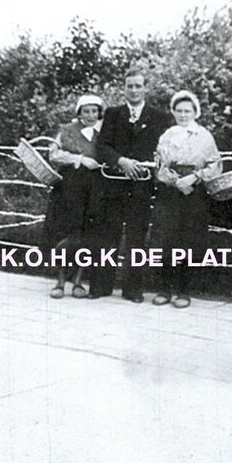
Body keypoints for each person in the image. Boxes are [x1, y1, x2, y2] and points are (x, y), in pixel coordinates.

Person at [88, 68, 170, 302]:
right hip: (113, 184)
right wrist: (121, 161)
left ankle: (133, 289)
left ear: (145, 89)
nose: (134, 90)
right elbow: (102, 147)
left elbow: (165, 149)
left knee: (136, 236)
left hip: (141, 186)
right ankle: (101, 286)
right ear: (124, 89)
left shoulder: (159, 117)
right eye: (129, 86)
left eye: (138, 86)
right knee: (107, 233)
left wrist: (154, 164)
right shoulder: (113, 114)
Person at [151, 90, 222, 309]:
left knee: (187, 239)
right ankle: (164, 289)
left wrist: (194, 177)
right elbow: (159, 165)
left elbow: (215, 164)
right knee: (165, 238)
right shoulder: (167, 135)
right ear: (173, 112)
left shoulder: (204, 136)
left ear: (195, 112)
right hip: (169, 191)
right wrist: (173, 180)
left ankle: (184, 291)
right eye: (179, 111)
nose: (183, 115)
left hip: (194, 192)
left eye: (187, 111)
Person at [42, 94, 103, 298]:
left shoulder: (104, 132)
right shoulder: (67, 130)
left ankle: (78, 282)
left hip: (93, 188)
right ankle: (60, 282)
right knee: (66, 232)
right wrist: (80, 159)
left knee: (86, 233)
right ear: (79, 112)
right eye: (86, 111)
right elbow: (53, 154)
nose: (90, 115)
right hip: (69, 187)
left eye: (94, 111)